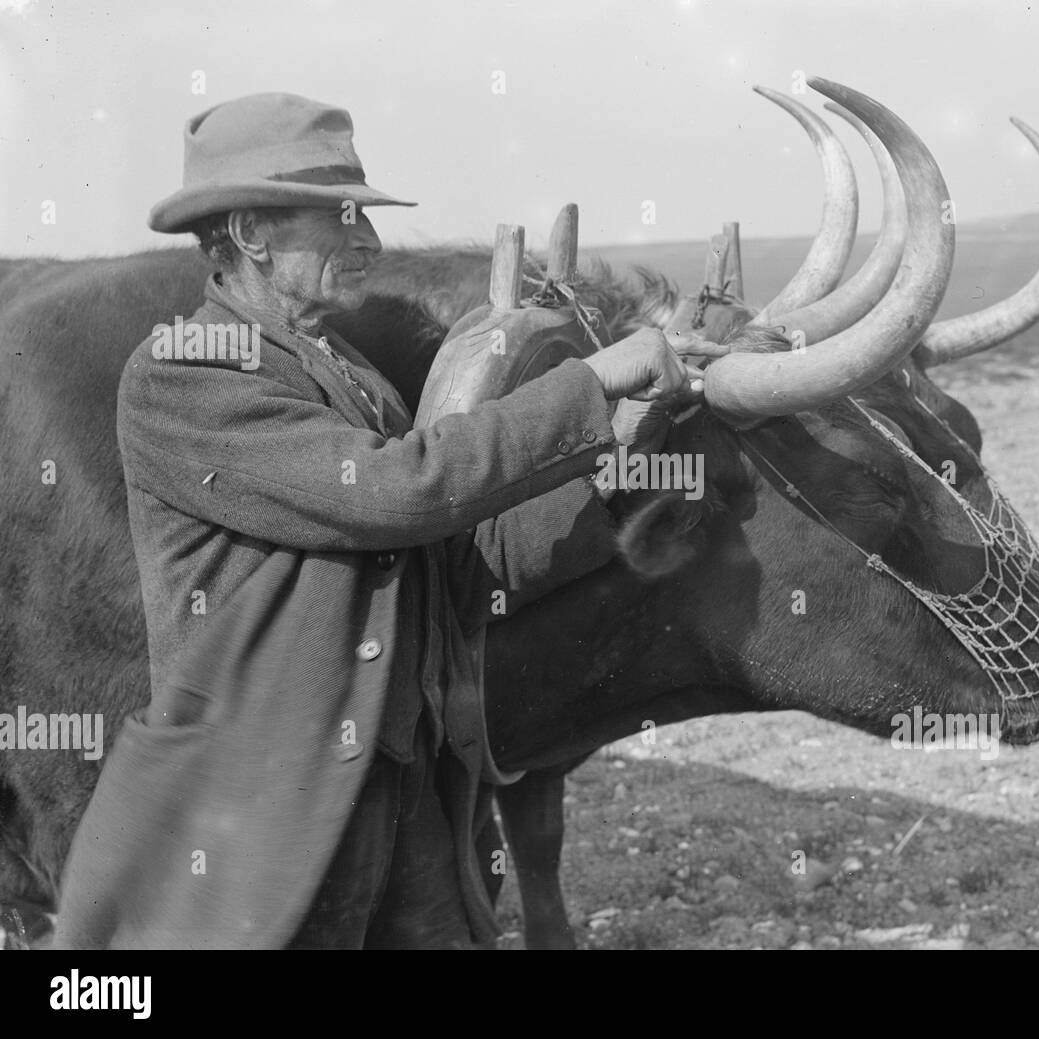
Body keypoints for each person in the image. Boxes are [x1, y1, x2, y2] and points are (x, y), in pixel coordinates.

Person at [53, 92, 707, 949]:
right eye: (344, 218)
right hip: (267, 811)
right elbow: (394, 494)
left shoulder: (355, 376)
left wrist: (621, 444)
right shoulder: (183, 373)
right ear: (252, 232)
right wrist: (592, 384)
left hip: (399, 787)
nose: (370, 241)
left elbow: (465, 557)